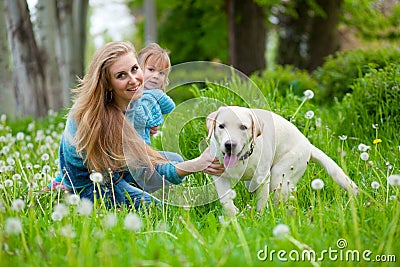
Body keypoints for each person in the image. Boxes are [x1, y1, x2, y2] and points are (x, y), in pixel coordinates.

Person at [48, 41, 224, 209]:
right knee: (154, 209)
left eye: (134, 69)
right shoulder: (100, 120)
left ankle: (61, 183)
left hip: (114, 168)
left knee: (175, 161)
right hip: (95, 180)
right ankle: (65, 190)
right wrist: (196, 164)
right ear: (107, 84)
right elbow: (146, 168)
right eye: (121, 75)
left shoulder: (127, 100)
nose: (134, 80)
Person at [126, 43, 174, 145]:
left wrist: (157, 95)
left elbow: (170, 106)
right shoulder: (129, 90)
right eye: (151, 70)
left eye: (161, 73)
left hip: (141, 146)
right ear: (138, 68)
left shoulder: (154, 95)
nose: (156, 76)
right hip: (124, 145)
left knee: (176, 158)